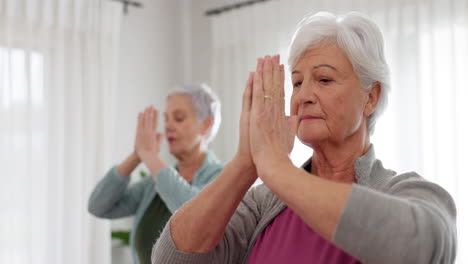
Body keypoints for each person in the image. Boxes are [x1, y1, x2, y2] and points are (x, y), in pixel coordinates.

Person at [151, 12, 457, 264]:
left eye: (324, 79)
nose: (304, 96)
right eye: (297, 83)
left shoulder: (408, 191)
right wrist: (246, 163)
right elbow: (172, 258)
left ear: (371, 97)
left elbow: (419, 248)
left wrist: (275, 167)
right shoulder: (264, 203)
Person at [88, 83, 224, 264]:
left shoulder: (222, 178)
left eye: (179, 118)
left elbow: (193, 215)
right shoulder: (154, 184)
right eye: (166, 119)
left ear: (206, 125)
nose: (168, 126)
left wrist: (149, 156)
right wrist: (137, 155)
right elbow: (99, 206)